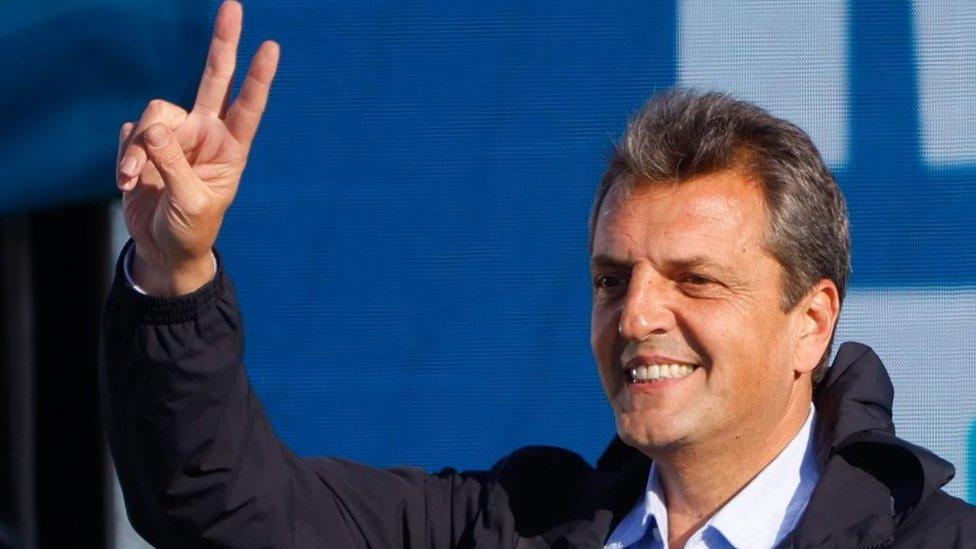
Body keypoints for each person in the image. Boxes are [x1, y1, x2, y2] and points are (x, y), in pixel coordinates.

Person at [102, 1, 976, 547]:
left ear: (811, 321)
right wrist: (175, 274)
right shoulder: (515, 525)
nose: (636, 316)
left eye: (694, 280)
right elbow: (224, 505)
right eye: (610, 278)